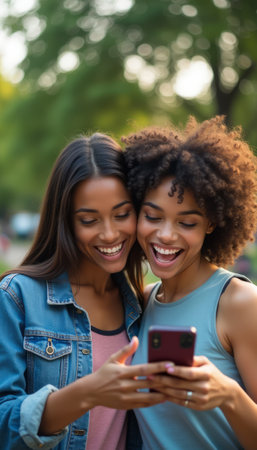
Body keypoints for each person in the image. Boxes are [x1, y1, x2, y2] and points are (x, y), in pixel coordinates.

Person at [0, 133, 169, 450]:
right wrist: (88, 391)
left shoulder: (139, 304)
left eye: (121, 215)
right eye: (89, 220)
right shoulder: (16, 297)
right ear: (65, 221)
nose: (109, 233)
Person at [123, 116, 257, 449]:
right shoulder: (139, 302)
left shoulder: (240, 303)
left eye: (187, 222)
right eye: (153, 216)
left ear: (211, 224)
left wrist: (229, 395)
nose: (166, 235)